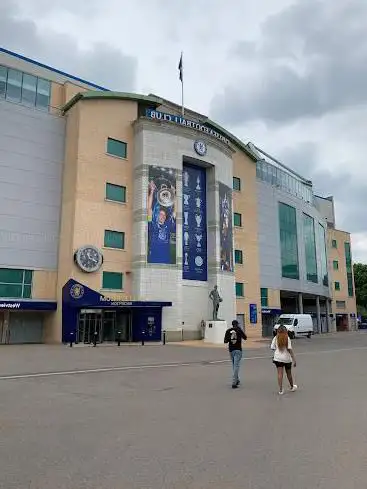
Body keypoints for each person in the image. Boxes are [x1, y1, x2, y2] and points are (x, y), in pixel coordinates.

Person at [147, 181, 176, 263]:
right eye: (160, 214)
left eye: (164, 215)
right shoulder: (152, 224)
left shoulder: (168, 225)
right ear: (157, 215)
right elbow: (149, 209)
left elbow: (174, 212)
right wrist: (152, 191)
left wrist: (174, 194)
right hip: (153, 259)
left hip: (166, 260)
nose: (162, 216)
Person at [270, 325, 298, 395]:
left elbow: (272, 347)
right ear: (286, 331)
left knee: (280, 374)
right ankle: (292, 387)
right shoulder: (287, 338)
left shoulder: (275, 338)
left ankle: (280, 390)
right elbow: (289, 349)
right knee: (289, 373)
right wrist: (294, 359)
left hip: (277, 358)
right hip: (287, 359)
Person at [224, 320, 247, 389]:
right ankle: (234, 382)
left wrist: (230, 338)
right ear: (237, 324)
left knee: (234, 365)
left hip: (231, 350)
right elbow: (245, 337)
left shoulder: (228, 331)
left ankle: (237, 380)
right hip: (238, 350)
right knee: (236, 366)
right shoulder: (239, 330)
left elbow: (225, 341)